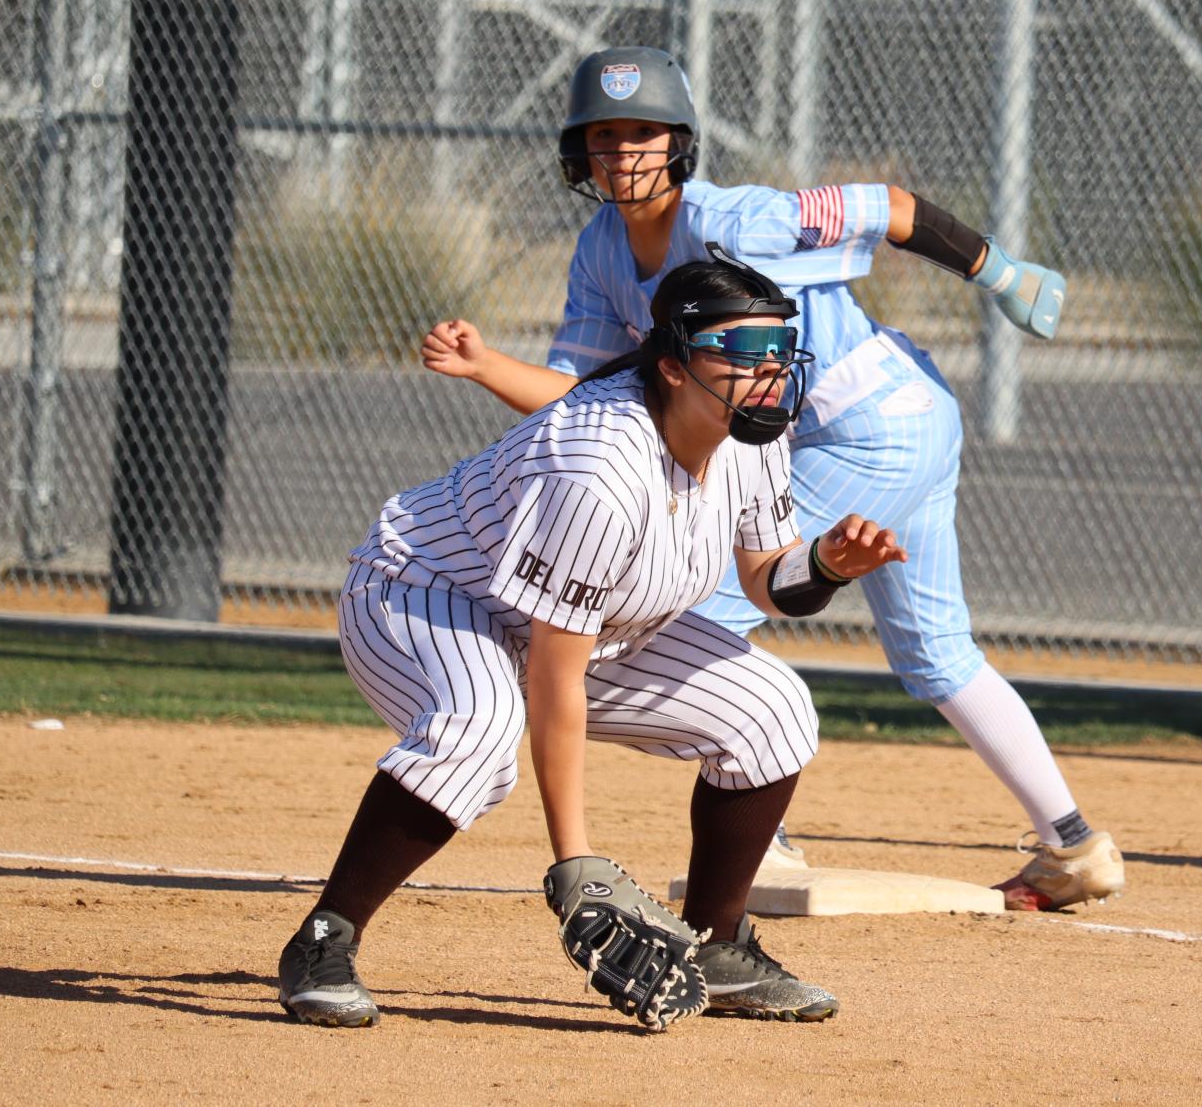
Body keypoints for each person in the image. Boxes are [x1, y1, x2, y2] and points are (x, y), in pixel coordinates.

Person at [420, 47, 1124, 912]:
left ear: (678, 143)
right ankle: (1074, 846)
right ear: (578, 153)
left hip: (871, 422)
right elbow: (586, 393)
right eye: (603, 136)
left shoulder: (734, 220)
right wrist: (486, 364)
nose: (622, 153)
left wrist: (1002, 274)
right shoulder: (601, 247)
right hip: (878, 426)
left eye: (643, 133)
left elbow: (890, 208)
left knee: (700, 603)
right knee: (936, 653)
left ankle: (768, 837)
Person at [278, 252, 904, 1030]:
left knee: (771, 709)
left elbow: (765, 579)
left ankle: (716, 944)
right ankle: (324, 936)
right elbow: (553, 677)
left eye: (780, 350)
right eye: (743, 353)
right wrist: (573, 862)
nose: (769, 371)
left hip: (589, 625)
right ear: (673, 367)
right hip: (425, 593)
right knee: (477, 728)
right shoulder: (599, 470)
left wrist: (827, 564)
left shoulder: (750, 430)